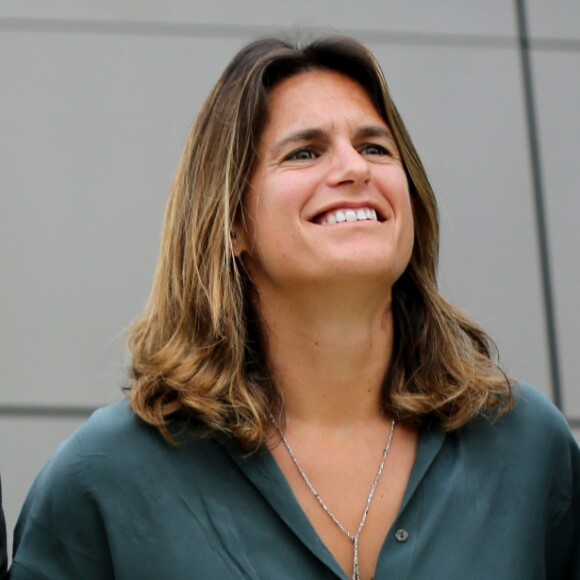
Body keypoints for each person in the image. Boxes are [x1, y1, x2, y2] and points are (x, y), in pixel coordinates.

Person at [10, 35, 580, 580]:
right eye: (305, 152)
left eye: (375, 147)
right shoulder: (106, 479)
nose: (354, 168)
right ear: (232, 223)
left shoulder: (528, 447)